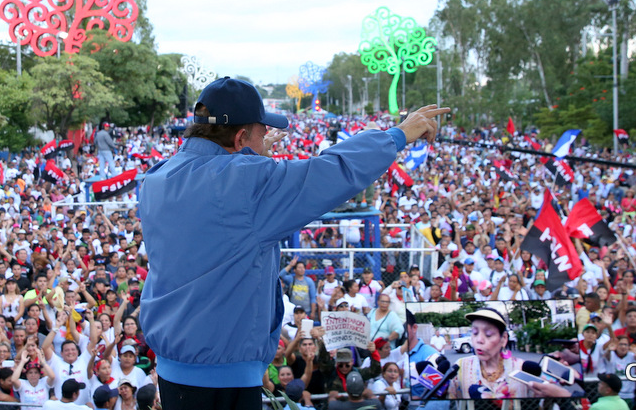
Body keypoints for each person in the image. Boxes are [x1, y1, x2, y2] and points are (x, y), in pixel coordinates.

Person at [138, 77, 447, 409]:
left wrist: (248, 159)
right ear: (240, 138)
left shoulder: (157, 178)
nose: (265, 140)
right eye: (260, 133)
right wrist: (397, 135)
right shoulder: (246, 183)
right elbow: (330, 172)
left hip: (172, 371)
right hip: (224, 380)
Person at [447, 307, 528, 399]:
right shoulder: (461, 366)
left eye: (488, 334)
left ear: (503, 338)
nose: (479, 340)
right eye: (475, 332)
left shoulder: (521, 368)